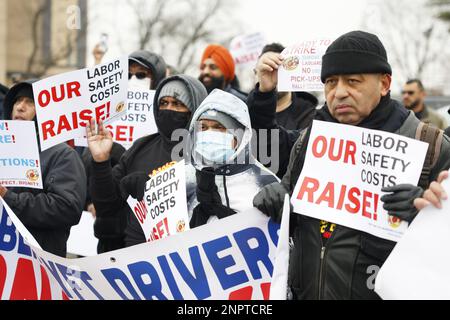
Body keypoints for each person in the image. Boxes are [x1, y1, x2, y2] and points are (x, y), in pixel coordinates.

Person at [251, 31, 450, 300]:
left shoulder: (430, 146)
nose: (340, 93)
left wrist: (425, 218)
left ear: (384, 83)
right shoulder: (311, 139)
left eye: (353, 81)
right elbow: (272, 163)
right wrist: (276, 199)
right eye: (331, 82)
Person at [87, 75, 207, 249]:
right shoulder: (141, 147)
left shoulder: (206, 151)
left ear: (195, 110)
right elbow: (107, 205)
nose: (168, 109)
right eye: (163, 103)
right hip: (131, 254)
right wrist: (101, 161)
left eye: (178, 104)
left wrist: (152, 189)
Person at [0, 81, 86, 257]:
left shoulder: (62, 155)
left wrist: (8, 198)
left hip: (36, 262)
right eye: (17, 101)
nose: (20, 107)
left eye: (29, 103)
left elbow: (66, 208)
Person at [188, 89, 279, 228]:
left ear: (240, 136)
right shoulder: (184, 179)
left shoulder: (266, 183)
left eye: (219, 127)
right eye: (203, 127)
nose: (210, 134)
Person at [249, 43, 318, 130]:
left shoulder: (309, 116)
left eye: (279, 71)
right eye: (266, 71)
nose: (273, 78)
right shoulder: (244, 112)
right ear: (256, 74)